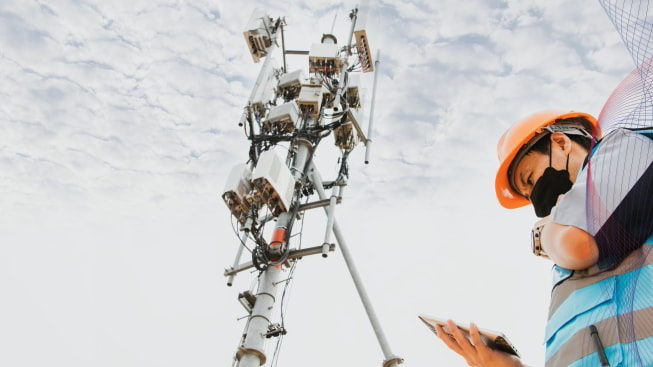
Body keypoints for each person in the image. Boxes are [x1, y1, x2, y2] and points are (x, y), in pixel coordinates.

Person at [435, 110, 653, 366]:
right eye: (528, 196)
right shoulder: (563, 269)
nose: (537, 204)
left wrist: (546, 233)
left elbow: (578, 245)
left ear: (560, 143)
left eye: (529, 179)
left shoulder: (625, 147)